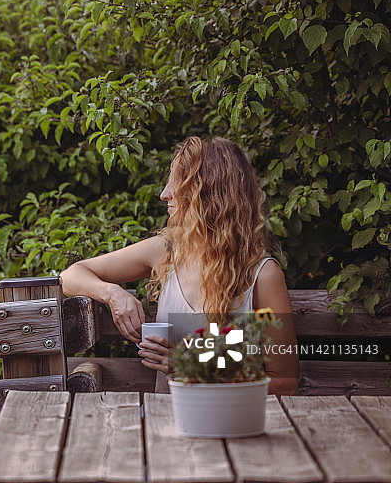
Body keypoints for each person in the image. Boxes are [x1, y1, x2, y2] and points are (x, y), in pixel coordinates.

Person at [59, 136, 298, 395]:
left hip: (233, 426)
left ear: (209, 193)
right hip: (163, 424)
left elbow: (285, 385)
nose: (164, 194)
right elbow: (71, 276)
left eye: (178, 183)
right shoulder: (168, 252)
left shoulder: (262, 275)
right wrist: (113, 294)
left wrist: (192, 367)